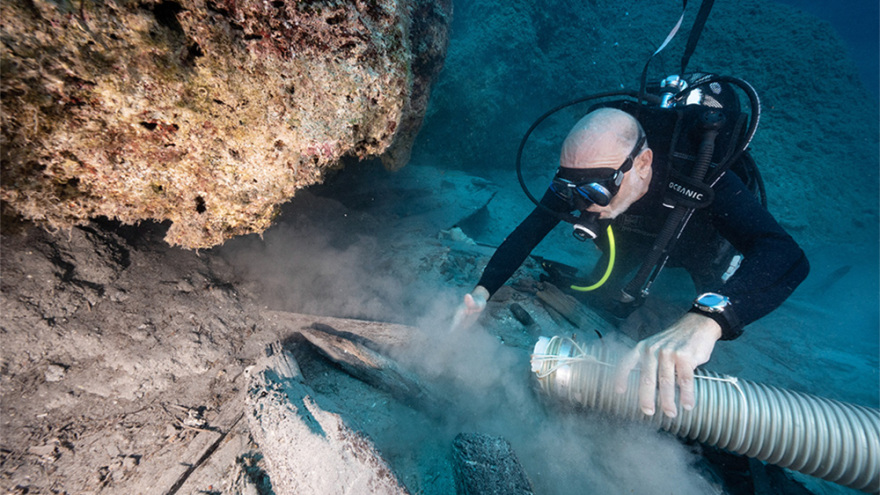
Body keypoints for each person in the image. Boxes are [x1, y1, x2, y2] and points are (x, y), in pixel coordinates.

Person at [456, 107, 809, 419]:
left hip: (699, 248)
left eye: (596, 192)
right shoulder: (582, 177)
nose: (584, 206)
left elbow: (786, 254)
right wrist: (482, 292)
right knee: (604, 294)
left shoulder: (700, 172)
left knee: (697, 336)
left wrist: (710, 318)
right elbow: (527, 232)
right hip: (633, 245)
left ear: (642, 163)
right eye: (571, 192)